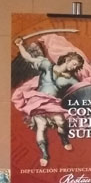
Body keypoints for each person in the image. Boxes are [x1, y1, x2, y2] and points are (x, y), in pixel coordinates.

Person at [12, 38, 84, 166]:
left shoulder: (72, 80)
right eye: (74, 64)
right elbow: (28, 58)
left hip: (53, 103)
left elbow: (80, 91)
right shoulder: (46, 65)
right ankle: (44, 155)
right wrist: (20, 46)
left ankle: (64, 139)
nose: (74, 67)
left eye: (76, 66)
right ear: (67, 59)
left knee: (61, 121)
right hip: (37, 100)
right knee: (42, 126)